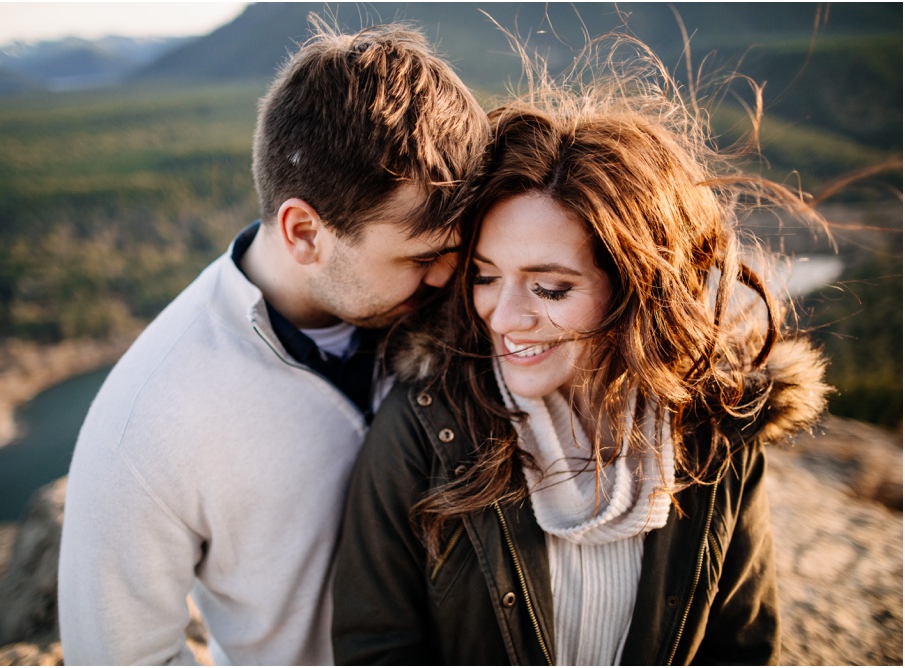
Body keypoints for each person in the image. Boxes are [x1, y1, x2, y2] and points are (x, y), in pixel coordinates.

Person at [332, 37, 831, 665]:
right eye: (485, 276)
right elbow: (376, 648)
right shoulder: (424, 429)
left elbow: (741, 647)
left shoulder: (715, 430)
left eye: (550, 287)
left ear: (638, 289)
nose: (504, 316)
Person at [57, 16, 488, 665]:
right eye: (420, 256)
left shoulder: (473, 304)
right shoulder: (149, 415)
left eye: (457, 250)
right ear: (305, 233)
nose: (450, 275)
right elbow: (119, 656)